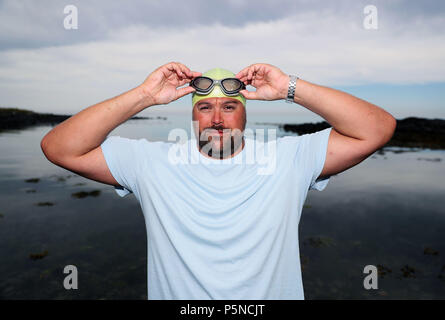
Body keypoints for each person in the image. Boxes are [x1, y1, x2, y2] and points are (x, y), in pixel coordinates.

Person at [41, 62, 396, 299]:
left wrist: (290, 86)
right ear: (191, 113)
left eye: (229, 107)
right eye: (204, 107)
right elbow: (59, 148)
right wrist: (144, 96)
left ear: (246, 113)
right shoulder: (150, 161)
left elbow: (377, 128)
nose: (217, 119)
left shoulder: (288, 158)